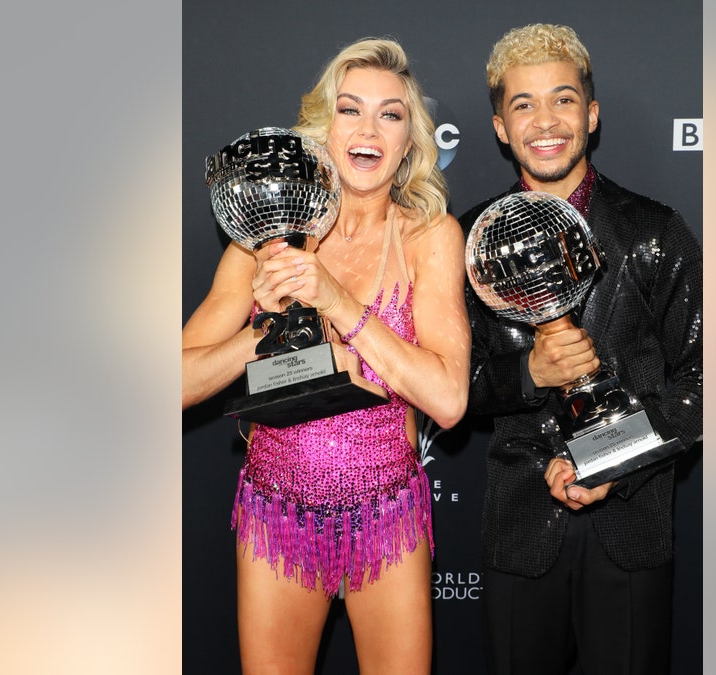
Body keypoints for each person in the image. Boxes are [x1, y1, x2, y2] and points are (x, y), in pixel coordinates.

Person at [182, 38, 470, 674]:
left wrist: (335, 299)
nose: (368, 129)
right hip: (276, 514)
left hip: (387, 515)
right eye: (350, 110)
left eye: (390, 115)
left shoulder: (431, 237)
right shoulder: (266, 239)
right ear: (323, 130)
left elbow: (449, 401)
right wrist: (263, 335)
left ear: (410, 141)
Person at [459, 24, 703, 675]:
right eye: (524, 103)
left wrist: (613, 461)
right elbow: (451, 386)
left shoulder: (655, 232)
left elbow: (706, 380)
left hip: (631, 529)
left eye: (563, 99)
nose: (546, 120)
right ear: (501, 128)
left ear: (591, 115)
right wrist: (527, 371)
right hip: (519, 530)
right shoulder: (467, 242)